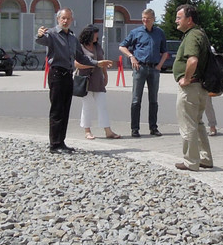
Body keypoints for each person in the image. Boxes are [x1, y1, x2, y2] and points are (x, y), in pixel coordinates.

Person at [36, 9, 112, 153]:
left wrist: (97, 63)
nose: (65, 21)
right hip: (56, 74)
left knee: (65, 110)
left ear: (72, 20)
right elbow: (41, 40)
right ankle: (54, 145)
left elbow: (81, 57)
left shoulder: (72, 38)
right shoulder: (51, 33)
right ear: (58, 19)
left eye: (68, 18)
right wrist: (39, 34)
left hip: (68, 75)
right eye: (63, 18)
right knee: (57, 110)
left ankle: (61, 142)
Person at [172, 4, 213, 172]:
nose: (176, 21)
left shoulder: (192, 35)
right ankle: (205, 158)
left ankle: (191, 161)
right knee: (197, 123)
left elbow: (192, 60)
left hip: (191, 87)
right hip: (200, 86)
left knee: (188, 124)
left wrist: (186, 79)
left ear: (189, 20)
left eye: (179, 17)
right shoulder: (200, 33)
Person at [119, 8, 169, 138]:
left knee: (153, 100)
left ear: (153, 19)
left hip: (154, 69)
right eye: (143, 18)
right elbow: (122, 46)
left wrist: (160, 65)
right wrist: (131, 56)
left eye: (148, 18)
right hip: (140, 68)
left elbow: (165, 52)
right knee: (136, 100)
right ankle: (135, 129)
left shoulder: (159, 33)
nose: (145, 21)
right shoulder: (135, 32)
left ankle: (153, 127)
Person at [75, 25, 121, 140]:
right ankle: (87, 131)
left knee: (102, 105)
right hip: (86, 80)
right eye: (95, 34)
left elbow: (102, 62)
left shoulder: (98, 46)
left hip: (98, 79)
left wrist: (105, 74)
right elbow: (77, 64)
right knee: (87, 106)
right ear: (89, 35)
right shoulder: (80, 47)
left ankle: (108, 131)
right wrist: (95, 64)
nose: (97, 36)